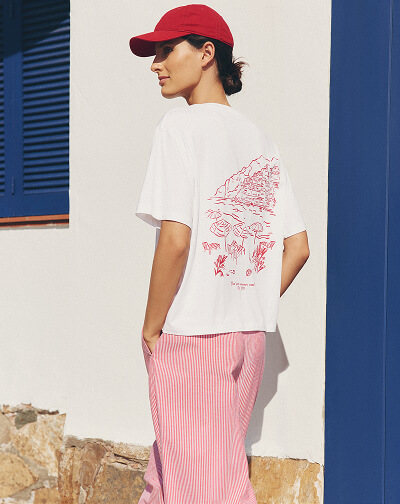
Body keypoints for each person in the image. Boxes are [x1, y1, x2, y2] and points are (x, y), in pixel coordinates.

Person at [129, 4, 310, 503]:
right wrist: (248, 299)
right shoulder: (261, 142)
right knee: (168, 479)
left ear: (207, 53)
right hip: (247, 339)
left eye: (167, 50)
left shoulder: (179, 127)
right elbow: (297, 248)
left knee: (205, 489)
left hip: (192, 338)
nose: (156, 64)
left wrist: (151, 328)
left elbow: (176, 239)